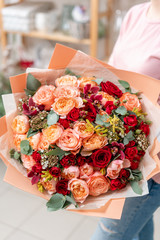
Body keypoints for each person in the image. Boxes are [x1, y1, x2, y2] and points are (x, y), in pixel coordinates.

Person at [91, 1, 160, 240]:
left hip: (152, 161)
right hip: (123, 152)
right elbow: (112, 74)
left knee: (109, 234)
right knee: (140, 227)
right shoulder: (136, 14)